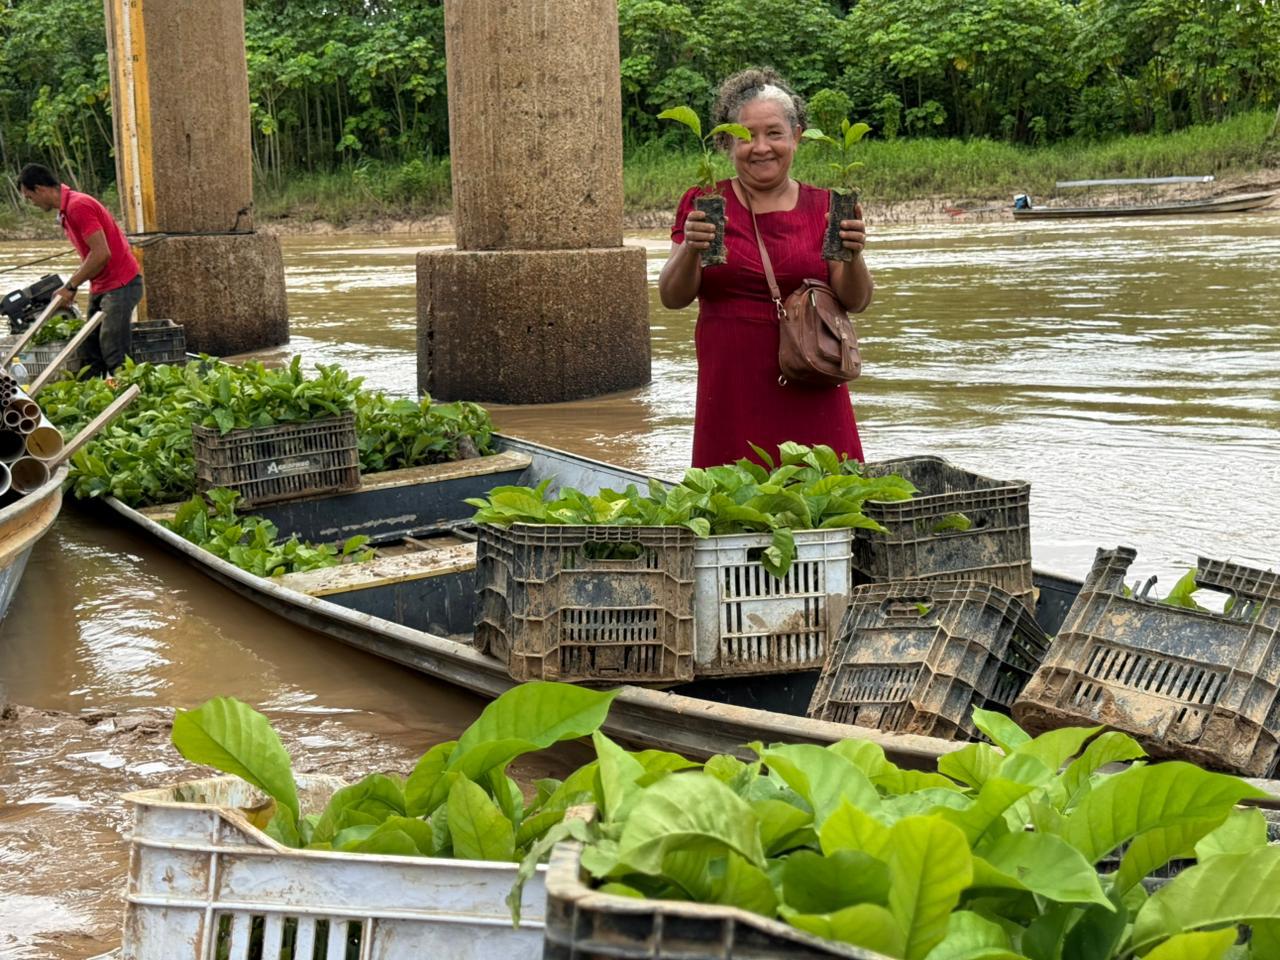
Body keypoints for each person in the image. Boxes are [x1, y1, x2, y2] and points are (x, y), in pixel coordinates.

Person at [658, 68, 874, 469]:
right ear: (725, 142)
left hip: (811, 378)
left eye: (774, 133)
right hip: (730, 388)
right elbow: (672, 297)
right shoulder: (706, 202)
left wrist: (855, 252)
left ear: (796, 135)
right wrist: (691, 247)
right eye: (746, 136)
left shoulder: (830, 205)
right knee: (731, 505)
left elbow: (855, 300)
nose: (761, 147)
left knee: (828, 503)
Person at [17, 163, 143, 377]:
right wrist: (72, 287)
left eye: (30, 197)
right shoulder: (66, 212)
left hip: (121, 284)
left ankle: (129, 399)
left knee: (114, 351)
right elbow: (92, 257)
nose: (33, 203)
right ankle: (95, 399)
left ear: (40, 189)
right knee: (89, 352)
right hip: (102, 285)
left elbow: (101, 254)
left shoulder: (78, 206)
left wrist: (71, 285)